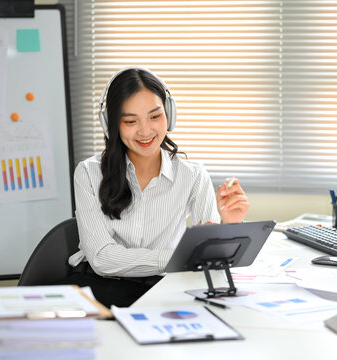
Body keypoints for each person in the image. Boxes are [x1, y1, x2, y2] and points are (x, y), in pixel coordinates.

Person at [65, 67, 250, 307]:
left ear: (169, 114)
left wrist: (229, 225)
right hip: (99, 287)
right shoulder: (89, 173)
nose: (145, 131)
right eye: (130, 121)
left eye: (155, 116)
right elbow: (102, 258)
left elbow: (210, 259)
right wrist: (182, 257)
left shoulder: (193, 175)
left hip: (163, 288)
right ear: (111, 124)